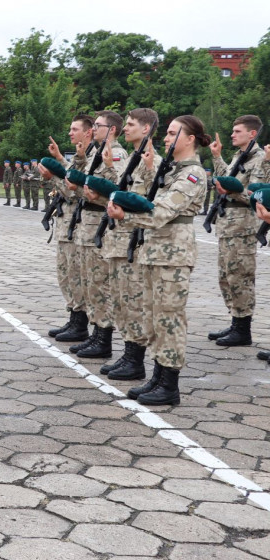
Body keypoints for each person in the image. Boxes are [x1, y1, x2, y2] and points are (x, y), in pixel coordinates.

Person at [107, 115, 209, 405]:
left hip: (173, 257)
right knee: (154, 317)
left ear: (190, 139)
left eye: (174, 133)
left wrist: (125, 216)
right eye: (167, 133)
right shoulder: (175, 171)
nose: (166, 138)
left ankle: (169, 385)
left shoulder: (192, 175)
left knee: (169, 319)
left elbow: (161, 213)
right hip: (156, 252)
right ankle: (157, 375)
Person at [86, 109, 160, 381]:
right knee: (120, 300)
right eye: (126, 124)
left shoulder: (152, 162)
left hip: (134, 242)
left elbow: (144, 201)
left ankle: (136, 359)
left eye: (131, 124)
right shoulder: (131, 159)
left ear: (147, 128)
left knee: (133, 301)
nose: (126, 128)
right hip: (119, 240)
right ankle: (129, 354)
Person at [67, 113, 123, 360]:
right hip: (88, 223)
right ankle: (96, 334)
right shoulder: (98, 153)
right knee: (91, 283)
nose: (94, 130)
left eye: (98, 126)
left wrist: (91, 194)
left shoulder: (116, 154)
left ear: (111, 129)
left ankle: (104, 339)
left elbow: (120, 189)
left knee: (100, 284)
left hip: (100, 224)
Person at [207, 115, 265, 347]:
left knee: (240, 277)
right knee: (226, 277)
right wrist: (216, 156)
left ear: (252, 134)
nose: (232, 134)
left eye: (237, 131)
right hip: (228, 225)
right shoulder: (239, 156)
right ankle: (235, 321)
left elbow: (255, 195)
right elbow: (227, 180)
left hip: (242, 227)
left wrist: (231, 192)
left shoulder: (260, 159)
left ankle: (243, 329)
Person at [43, 117, 93, 341]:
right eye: (70, 128)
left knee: (74, 276)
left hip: (78, 224)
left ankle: (80, 323)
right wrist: (61, 159)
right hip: (70, 225)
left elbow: (72, 190)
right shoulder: (80, 156)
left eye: (75, 129)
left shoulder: (91, 156)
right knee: (67, 275)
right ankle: (74, 318)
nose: (71, 133)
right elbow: (71, 174)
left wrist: (53, 176)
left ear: (87, 132)